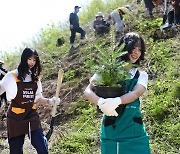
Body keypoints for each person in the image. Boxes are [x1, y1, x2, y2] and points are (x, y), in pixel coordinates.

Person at [84, 32, 151, 154]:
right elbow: (88, 91)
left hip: (133, 129)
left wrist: (117, 101)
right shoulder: (107, 71)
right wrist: (101, 102)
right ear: (125, 48)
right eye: (133, 48)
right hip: (111, 130)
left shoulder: (141, 75)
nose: (136, 52)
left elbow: (136, 93)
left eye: (139, 50)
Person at [0, 48, 60, 154]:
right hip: (15, 118)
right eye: (29, 59)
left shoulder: (35, 79)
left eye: (34, 60)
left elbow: (38, 98)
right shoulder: (11, 76)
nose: (32, 62)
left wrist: (50, 101)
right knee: (16, 150)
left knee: (42, 147)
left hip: (31, 116)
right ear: (24, 59)